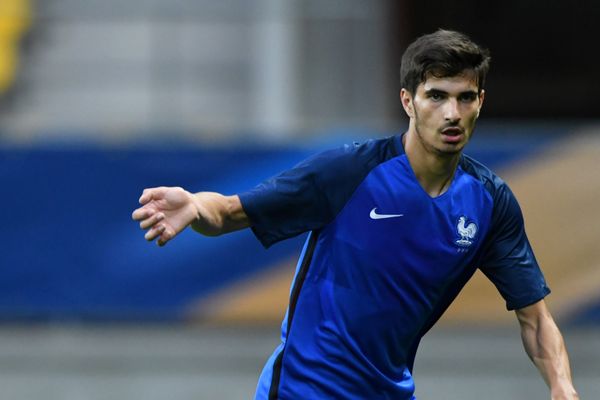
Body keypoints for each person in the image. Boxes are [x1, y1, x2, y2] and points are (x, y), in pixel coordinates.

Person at [132, 29, 578, 400]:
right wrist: (194, 205)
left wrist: (562, 387)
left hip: (390, 391)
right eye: (436, 96)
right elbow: (231, 212)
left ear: (481, 102)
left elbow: (535, 318)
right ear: (408, 101)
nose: (451, 113)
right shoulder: (350, 172)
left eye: (465, 98)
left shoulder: (489, 203)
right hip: (303, 390)